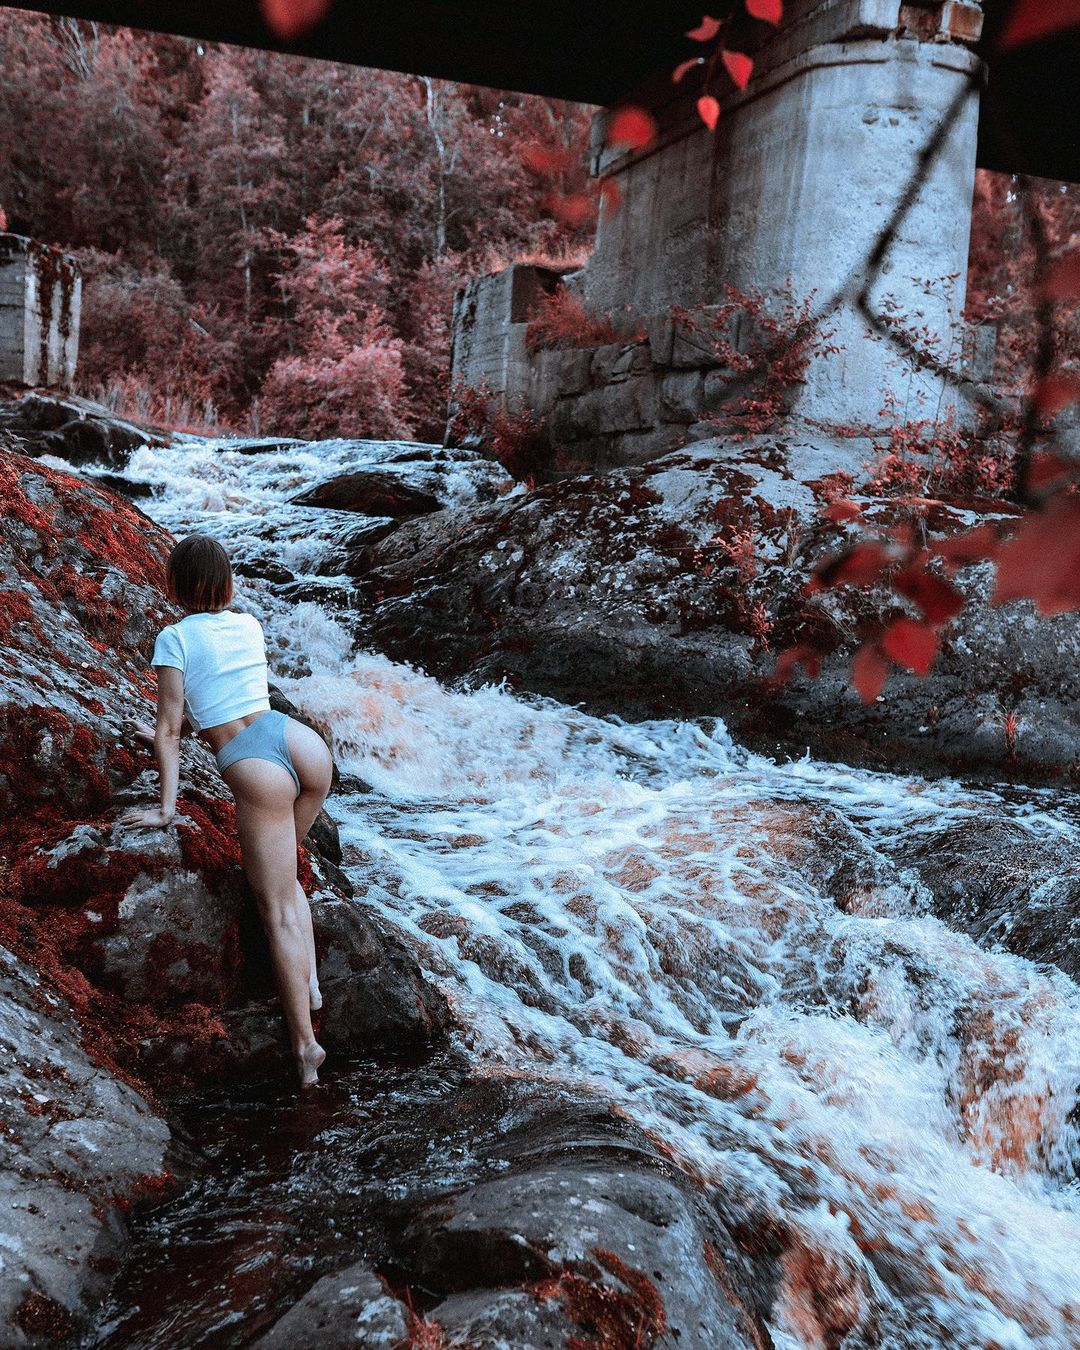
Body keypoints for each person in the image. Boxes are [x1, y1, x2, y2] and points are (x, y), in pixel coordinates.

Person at [121, 534, 334, 1088]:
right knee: (287, 882)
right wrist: (173, 731)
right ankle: (310, 985)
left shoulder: (174, 638)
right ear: (227, 583)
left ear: (174, 584)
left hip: (257, 769)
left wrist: (165, 810)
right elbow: (228, 695)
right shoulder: (248, 625)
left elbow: (171, 730)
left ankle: (305, 1048)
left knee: (275, 908)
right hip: (303, 747)